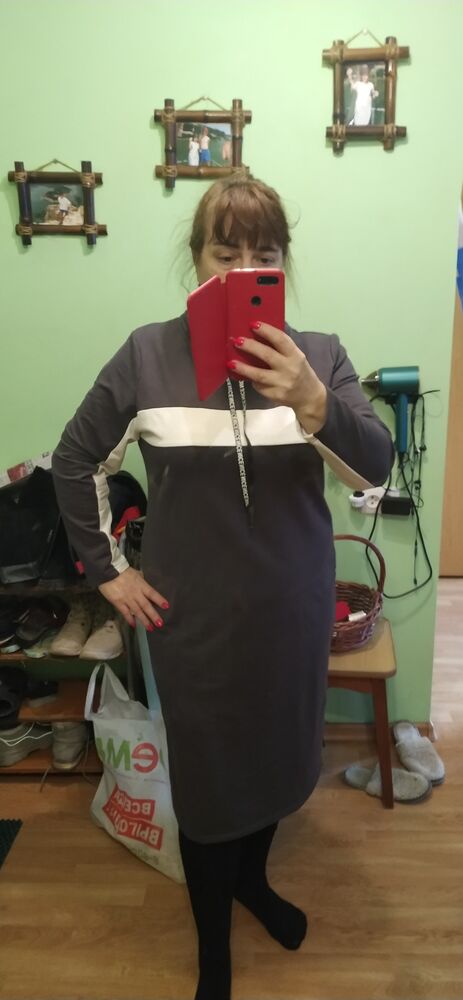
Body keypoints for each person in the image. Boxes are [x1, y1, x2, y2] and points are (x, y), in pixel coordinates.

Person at [52, 174, 394, 1000]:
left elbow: (374, 470)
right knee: (209, 787)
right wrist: (111, 574)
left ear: (282, 264)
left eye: (262, 254)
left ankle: (253, 883)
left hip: (292, 612)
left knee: (278, 764)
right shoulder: (146, 355)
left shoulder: (319, 354)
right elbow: (74, 461)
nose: (242, 269)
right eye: (224, 251)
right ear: (196, 259)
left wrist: (314, 402)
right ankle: (213, 950)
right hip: (192, 621)